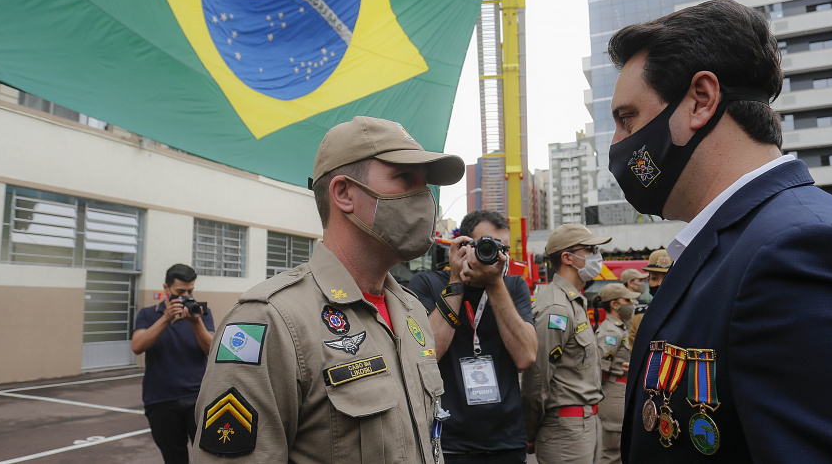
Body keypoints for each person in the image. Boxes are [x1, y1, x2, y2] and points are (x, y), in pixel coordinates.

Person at [608, 0, 832, 462]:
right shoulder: (739, 241)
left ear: (701, 100)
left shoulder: (796, 249)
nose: (618, 144)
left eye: (627, 118)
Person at [192, 116, 465, 463]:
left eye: (425, 185)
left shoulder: (410, 310)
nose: (425, 198)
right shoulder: (272, 320)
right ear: (344, 193)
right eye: (405, 179)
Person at [409, 209, 537, 464]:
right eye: (489, 245)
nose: (498, 256)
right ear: (464, 245)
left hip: (506, 441)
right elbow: (428, 354)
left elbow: (526, 357)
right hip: (448, 441)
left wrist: (495, 283)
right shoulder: (427, 283)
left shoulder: (513, 286)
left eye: (504, 249)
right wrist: (456, 280)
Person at [521, 223, 611, 463]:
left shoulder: (573, 302)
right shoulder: (556, 309)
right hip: (564, 431)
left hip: (584, 424)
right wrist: (529, 431)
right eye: (591, 249)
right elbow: (538, 378)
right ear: (568, 258)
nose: (597, 256)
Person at [132, 263, 215, 464]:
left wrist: (196, 323)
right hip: (161, 401)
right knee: (174, 459)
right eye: (180, 291)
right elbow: (137, 346)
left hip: (198, 399)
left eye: (190, 291)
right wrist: (166, 318)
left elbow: (213, 350)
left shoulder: (202, 313)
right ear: (166, 288)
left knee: (210, 457)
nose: (186, 295)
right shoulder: (147, 314)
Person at [594, 283, 640, 464]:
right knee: (614, 453)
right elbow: (599, 368)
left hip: (622, 391)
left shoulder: (620, 328)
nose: (632, 303)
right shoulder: (610, 333)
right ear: (614, 304)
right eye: (627, 300)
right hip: (614, 394)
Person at [625, 250, 671, 346]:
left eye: (667, 278)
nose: (660, 284)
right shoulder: (639, 317)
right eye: (654, 278)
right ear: (648, 280)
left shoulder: (687, 314)